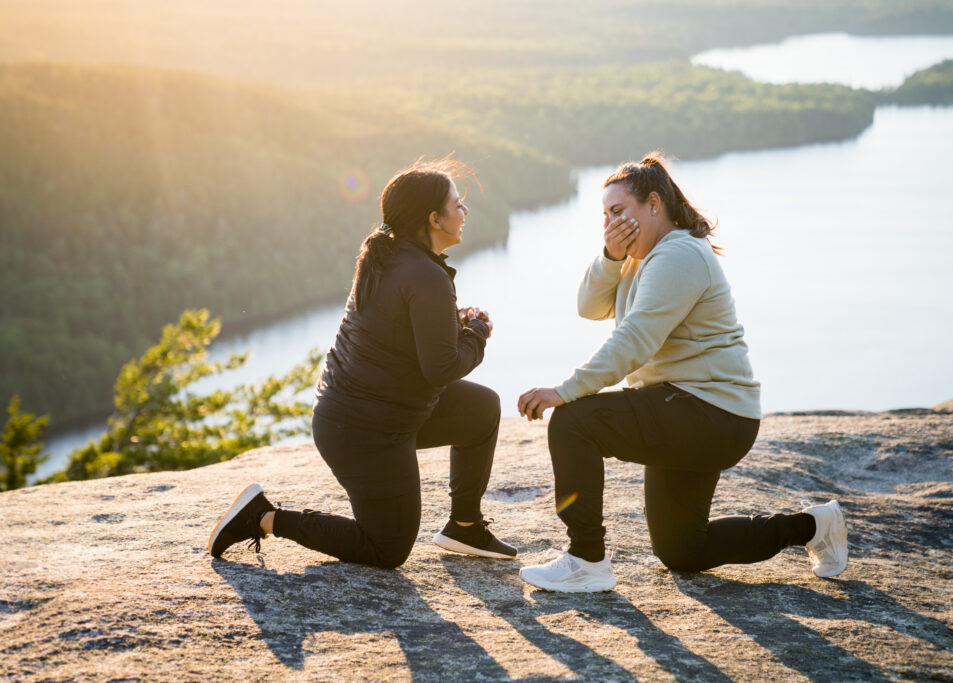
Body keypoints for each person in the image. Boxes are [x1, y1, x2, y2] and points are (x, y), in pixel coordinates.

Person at [516, 153, 848, 592]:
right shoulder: (638, 258)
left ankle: (586, 560)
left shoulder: (679, 254)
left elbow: (636, 338)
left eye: (619, 212)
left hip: (708, 413)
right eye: (605, 216)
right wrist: (611, 256)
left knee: (574, 421)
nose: (610, 223)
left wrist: (567, 390)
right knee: (683, 550)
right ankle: (814, 527)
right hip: (695, 413)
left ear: (654, 204)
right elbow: (589, 307)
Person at [209, 159, 515, 567]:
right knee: (387, 549)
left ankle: (464, 526)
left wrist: (453, 325)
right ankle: (263, 517)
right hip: (365, 432)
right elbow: (440, 368)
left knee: (481, 408)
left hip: (370, 412)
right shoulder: (424, 274)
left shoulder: (389, 256)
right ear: (434, 219)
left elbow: (397, 331)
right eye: (457, 204)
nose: (465, 212)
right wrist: (477, 331)